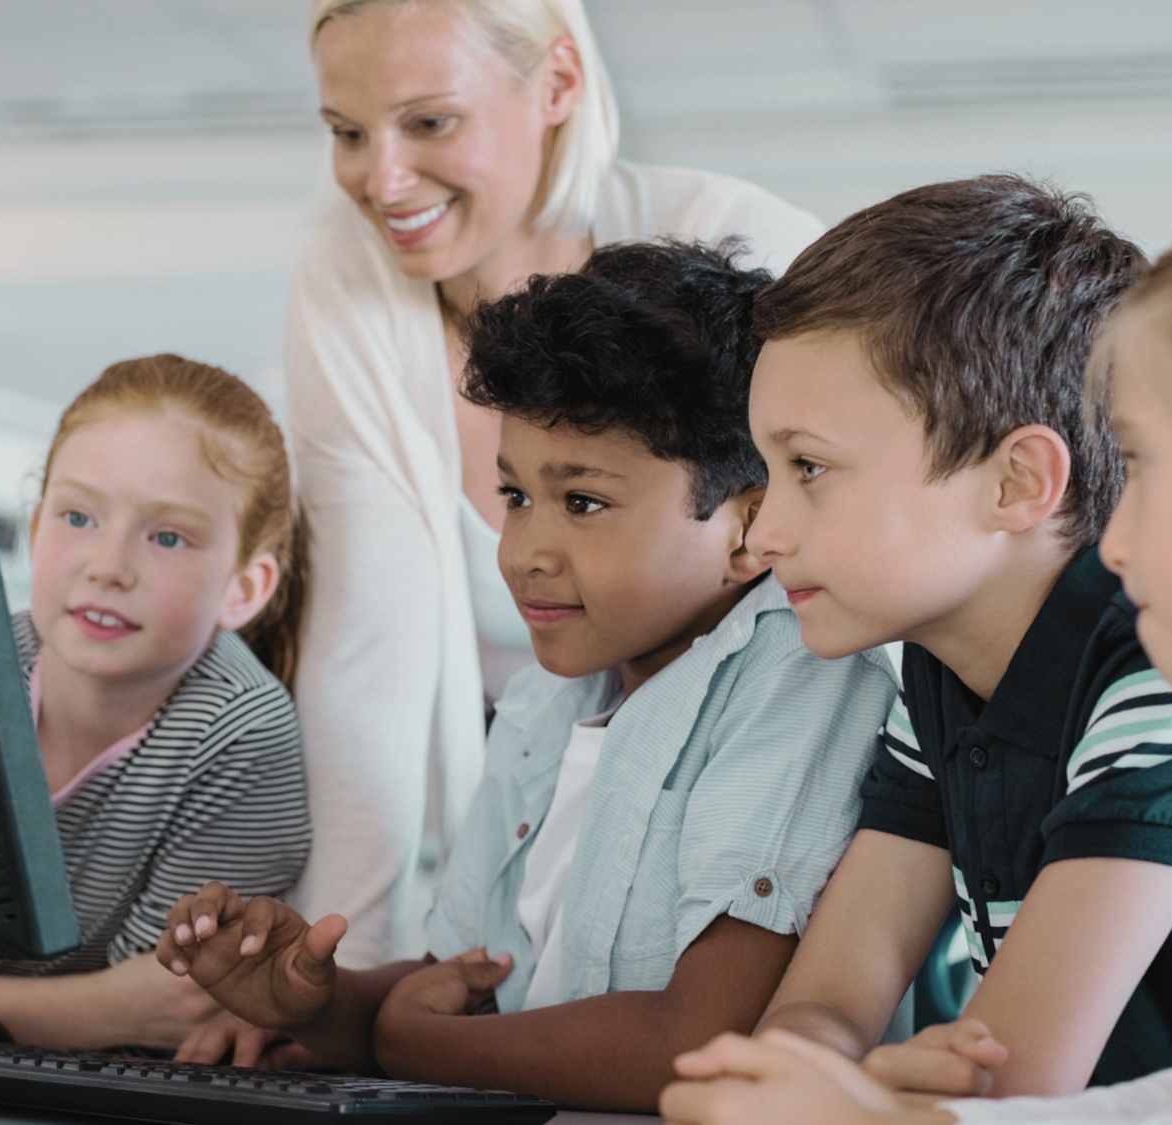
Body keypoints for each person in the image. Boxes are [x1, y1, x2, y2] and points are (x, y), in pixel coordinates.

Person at [158, 241, 897, 1110]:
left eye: (583, 502)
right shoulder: (551, 691)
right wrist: (322, 1003)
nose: (523, 553)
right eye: (514, 496)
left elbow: (699, 1044)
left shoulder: (802, 681)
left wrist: (406, 1040)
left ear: (747, 527)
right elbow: (469, 991)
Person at [658, 180, 1172, 1125]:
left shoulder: (1167, 663)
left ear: (1017, 482)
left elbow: (1014, 1075)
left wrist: (859, 1100)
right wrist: (837, 1082)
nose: (762, 534)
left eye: (811, 468)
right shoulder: (937, 668)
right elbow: (823, 1011)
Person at [284, 0, 826, 968]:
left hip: (742, 769)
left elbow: (841, 556)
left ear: (559, 86)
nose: (382, 177)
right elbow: (369, 652)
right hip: (533, 766)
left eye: (430, 121)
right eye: (347, 134)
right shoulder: (348, 282)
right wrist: (332, 969)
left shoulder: (739, 253)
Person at [0, 354, 310, 1054]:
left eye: (167, 536)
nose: (108, 564)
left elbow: (170, 1007)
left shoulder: (239, 732)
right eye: (78, 516)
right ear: (35, 529)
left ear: (244, 587)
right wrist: (103, 1007)